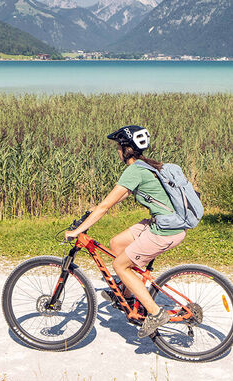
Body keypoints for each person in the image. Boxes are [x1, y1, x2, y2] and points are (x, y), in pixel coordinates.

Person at [64, 125, 186, 337]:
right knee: (117, 244)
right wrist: (93, 210)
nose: (117, 151)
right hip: (165, 223)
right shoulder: (145, 166)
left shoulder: (135, 170)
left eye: (118, 147)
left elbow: (106, 207)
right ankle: (129, 296)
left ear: (125, 148)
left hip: (165, 231)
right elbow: (114, 199)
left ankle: (156, 313)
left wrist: (78, 231)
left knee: (119, 265)